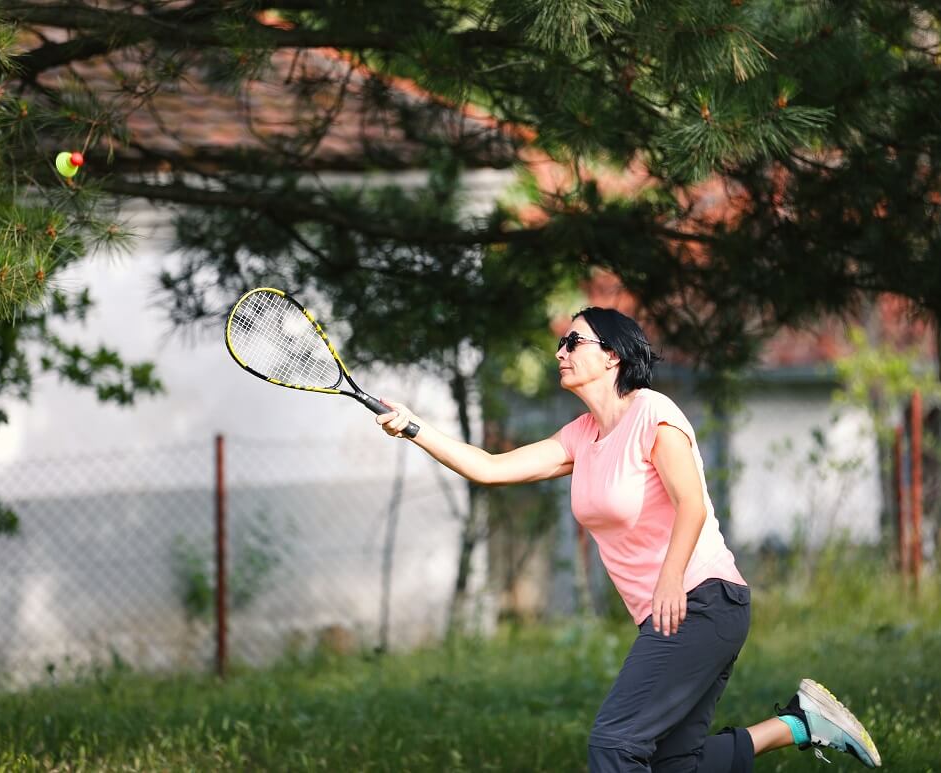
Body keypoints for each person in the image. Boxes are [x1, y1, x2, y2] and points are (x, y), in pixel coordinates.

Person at [376, 306, 881, 772]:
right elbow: (489, 468)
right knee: (674, 766)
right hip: (674, 611)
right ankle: (802, 724)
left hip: (702, 601)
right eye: (561, 342)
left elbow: (692, 505)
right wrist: (414, 427)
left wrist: (669, 581)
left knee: (614, 743)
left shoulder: (653, 414)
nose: (561, 352)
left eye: (573, 341)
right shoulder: (580, 435)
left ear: (612, 354)